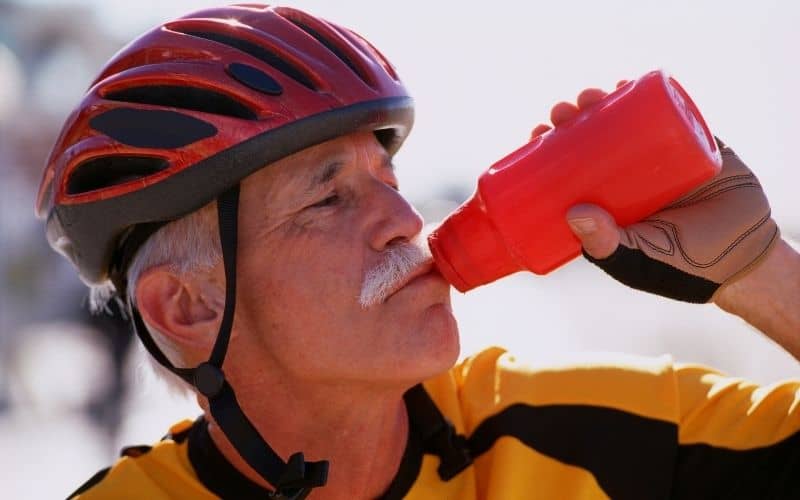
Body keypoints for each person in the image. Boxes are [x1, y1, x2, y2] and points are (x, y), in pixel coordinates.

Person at [36, 5, 798, 500]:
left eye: (388, 175)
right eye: (328, 198)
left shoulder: (574, 429)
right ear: (188, 307)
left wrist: (762, 272)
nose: (405, 219)